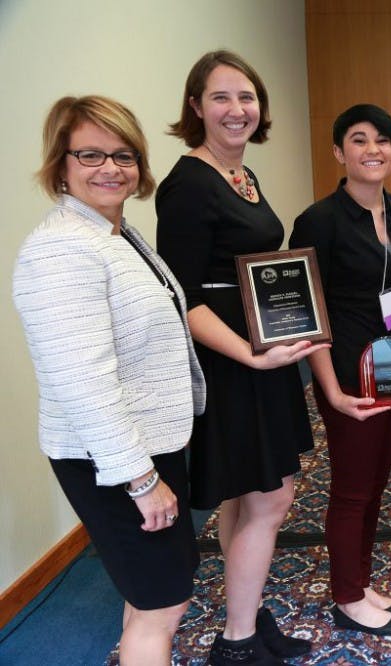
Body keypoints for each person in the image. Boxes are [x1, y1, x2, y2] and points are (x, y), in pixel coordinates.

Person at [13, 95, 205, 666]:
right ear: (61, 164)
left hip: (142, 445)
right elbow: (84, 381)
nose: (111, 168)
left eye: (124, 155)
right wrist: (141, 482)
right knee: (163, 603)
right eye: (91, 154)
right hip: (114, 459)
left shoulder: (113, 233)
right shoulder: (61, 249)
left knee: (146, 592)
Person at [156, 51, 325, 665]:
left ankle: (243, 613)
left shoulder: (241, 177)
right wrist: (250, 359)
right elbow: (183, 298)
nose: (237, 110)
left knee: (243, 497)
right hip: (232, 366)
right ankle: (237, 643)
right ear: (195, 106)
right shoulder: (188, 184)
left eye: (247, 97)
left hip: (261, 361)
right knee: (273, 499)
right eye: (221, 97)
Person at [288, 104, 391, 637]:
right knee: (350, 488)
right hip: (346, 370)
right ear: (340, 152)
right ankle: (346, 595)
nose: (373, 150)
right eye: (359, 140)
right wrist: (332, 390)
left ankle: (359, 580)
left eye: (382, 139)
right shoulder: (319, 220)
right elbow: (306, 312)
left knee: (377, 480)